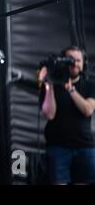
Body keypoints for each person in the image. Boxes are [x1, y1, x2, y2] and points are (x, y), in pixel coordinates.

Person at [39, 45, 95, 184]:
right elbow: (49, 114)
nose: (74, 64)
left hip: (85, 147)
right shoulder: (51, 85)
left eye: (78, 60)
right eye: (70, 60)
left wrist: (70, 89)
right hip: (58, 147)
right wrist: (49, 85)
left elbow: (88, 110)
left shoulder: (89, 86)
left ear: (83, 64)